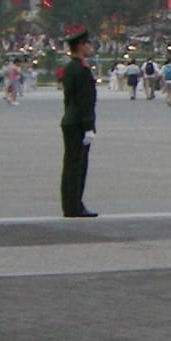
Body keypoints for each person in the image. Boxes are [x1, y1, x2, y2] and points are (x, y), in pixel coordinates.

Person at [60, 29, 99, 217]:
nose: (90, 47)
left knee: (70, 165)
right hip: (78, 123)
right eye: (88, 44)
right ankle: (75, 206)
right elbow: (85, 101)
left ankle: (69, 204)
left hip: (69, 119)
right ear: (81, 46)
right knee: (77, 166)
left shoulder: (69, 68)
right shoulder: (82, 70)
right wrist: (89, 127)